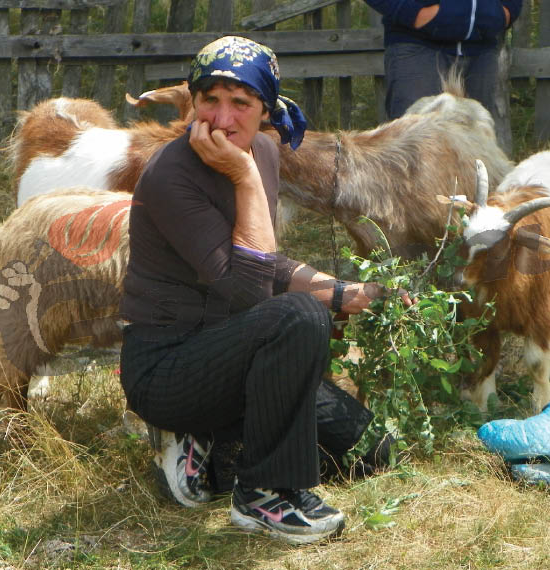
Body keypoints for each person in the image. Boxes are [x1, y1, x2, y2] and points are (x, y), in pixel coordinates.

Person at [120, 36, 412, 545]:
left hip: (234, 350)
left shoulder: (264, 151)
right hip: (168, 367)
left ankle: (217, 441)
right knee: (297, 317)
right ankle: (263, 495)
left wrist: (342, 292)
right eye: (209, 99)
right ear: (192, 101)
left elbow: (259, 260)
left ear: (265, 110)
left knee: (371, 451)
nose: (222, 118)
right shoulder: (171, 175)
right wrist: (246, 179)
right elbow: (251, 292)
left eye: (241, 102)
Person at [364, 0, 523, 119]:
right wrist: (415, 13)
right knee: (418, 145)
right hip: (418, 49)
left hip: (481, 51)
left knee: (476, 146)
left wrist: (503, 13)